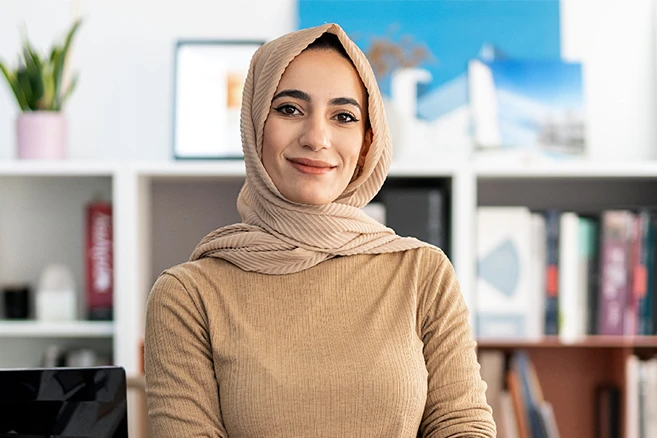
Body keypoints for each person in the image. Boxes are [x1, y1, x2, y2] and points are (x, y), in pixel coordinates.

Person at [145, 23, 496, 437]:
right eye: (289, 109)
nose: (316, 137)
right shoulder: (188, 295)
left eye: (343, 116)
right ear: (255, 124)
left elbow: (462, 425)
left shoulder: (422, 272)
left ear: (367, 142)